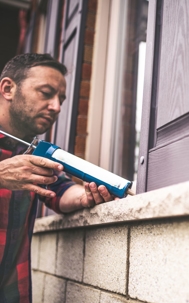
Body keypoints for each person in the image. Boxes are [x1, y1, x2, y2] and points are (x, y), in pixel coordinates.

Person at [0, 53, 117, 302]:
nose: (57, 107)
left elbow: (60, 189)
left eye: (60, 98)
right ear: (8, 88)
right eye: (46, 92)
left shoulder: (33, 150)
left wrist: (87, 195)